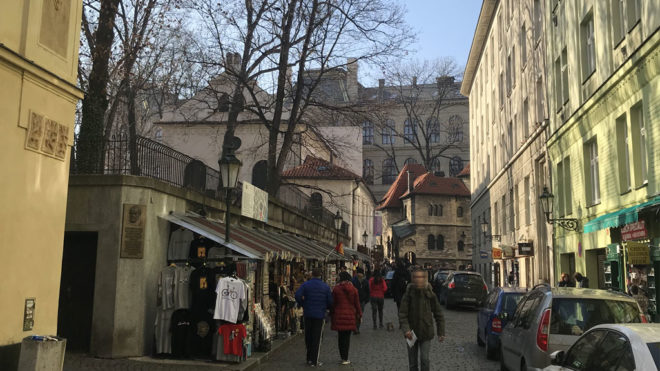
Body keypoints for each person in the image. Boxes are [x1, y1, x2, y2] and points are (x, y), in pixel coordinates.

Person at [399, 268, 445, 371]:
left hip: (426, 332)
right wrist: (406, 329)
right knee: (413, 363)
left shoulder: (430, 295)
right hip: (411, 333)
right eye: (416, 277)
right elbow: (402, 314)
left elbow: (438, 314)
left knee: (425, 359)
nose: (419, 279)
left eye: (421, 277)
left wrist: (441, 332)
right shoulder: (408, 294)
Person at [295, 268, 333, 367]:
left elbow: (298, 295)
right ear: (320, 275)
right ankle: (314, 360)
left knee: (308, 336)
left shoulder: (306, 285)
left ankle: (309, 358)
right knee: (317, 337)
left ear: (311, 275)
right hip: (319, 315)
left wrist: (303, 304)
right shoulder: (325, 286)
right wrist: (327, 308)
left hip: (308, 313)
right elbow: (330, 301)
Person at [330, 271, 362, 365]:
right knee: (347, 338)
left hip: (339, 315)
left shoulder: (336, 289)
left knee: (340, 337)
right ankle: (346, 358)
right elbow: (357, 304)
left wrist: (332, 313)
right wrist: (360, 314)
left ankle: (342, 356)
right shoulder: (354, 290)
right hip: (350, 316)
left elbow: (333, 303)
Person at [351, 268, 370, 334]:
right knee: (355, 314)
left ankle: (357, 328)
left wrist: (366, 300)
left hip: (362, 300)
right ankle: (355, 327)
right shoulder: (353, 280)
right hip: (354, 301)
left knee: (359, 314)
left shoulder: (365, 281)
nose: (359, 274)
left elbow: (368, 291)